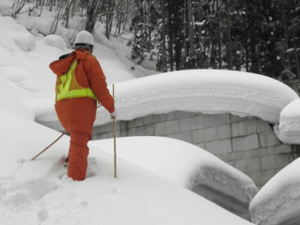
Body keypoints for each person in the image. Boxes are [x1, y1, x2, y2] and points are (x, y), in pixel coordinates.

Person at [49, 30, 117, 181]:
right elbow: (100, 87)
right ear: (90, 47)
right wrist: (111, 108)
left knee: (76, 139)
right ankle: (75, 179)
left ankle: (70, 162)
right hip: (80, 109)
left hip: (62, 110)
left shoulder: (65, 63)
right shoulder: (89, 60)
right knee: (79, 142)